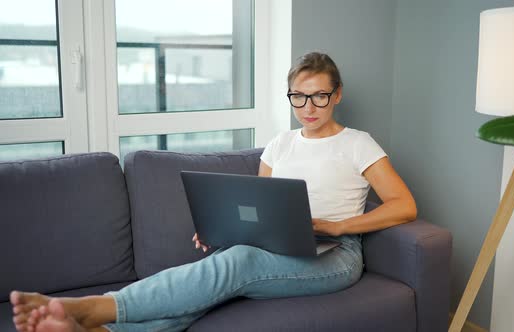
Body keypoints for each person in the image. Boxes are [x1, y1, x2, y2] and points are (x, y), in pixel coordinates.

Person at [10, 52, 417, 332]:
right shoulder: (280, 144)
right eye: (298, 96)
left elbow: (405, 205)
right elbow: (257, 207)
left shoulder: (358, 143)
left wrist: (338, 224)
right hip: (280, 245)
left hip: (336, 254)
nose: (308, 107)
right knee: (208, 280)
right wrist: (223, 227)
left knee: (234, 264)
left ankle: (96, 307)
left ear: (337, 94)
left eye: (319, 96)